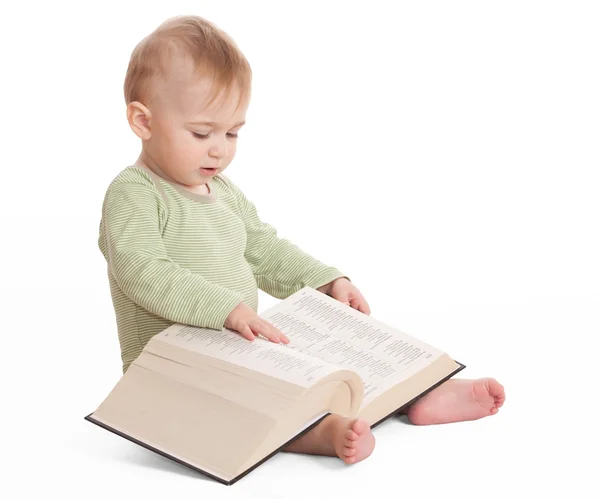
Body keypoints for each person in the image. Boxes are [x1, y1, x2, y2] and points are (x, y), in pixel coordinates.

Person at [98, 15, 506, 466]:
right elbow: (143, 272)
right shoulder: (135, 192)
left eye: (233, 132)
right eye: (201, 133)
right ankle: (325, 433)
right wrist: (226, 309)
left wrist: (325, 281)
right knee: (252, 404)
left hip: (240, 345)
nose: (220, 149)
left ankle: (415, 394)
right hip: (175, 370)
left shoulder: (224, 192)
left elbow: (265, 251)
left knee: (329, 349)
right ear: (142, 121)